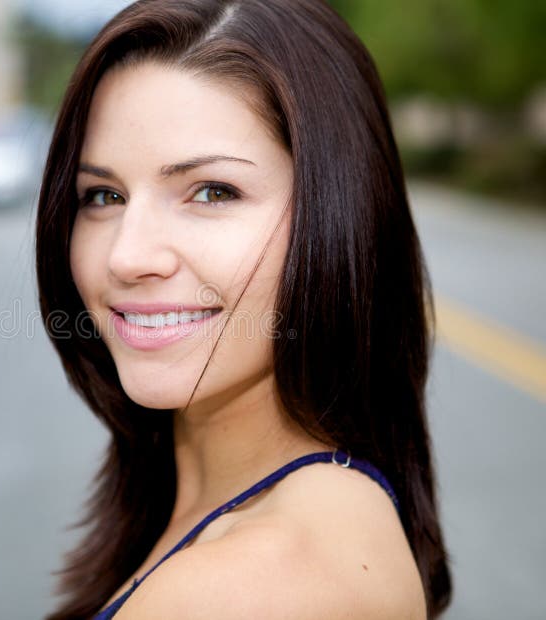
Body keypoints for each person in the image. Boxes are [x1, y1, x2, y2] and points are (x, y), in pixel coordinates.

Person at [35, 0, 453, 618]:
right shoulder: (230, 507)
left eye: (211, 191)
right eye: (103, 195)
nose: (127, 256)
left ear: (337, 215)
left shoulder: (265, 581)